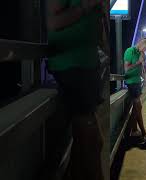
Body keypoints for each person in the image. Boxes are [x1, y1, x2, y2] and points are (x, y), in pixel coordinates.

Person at [47, 0, 105, 179]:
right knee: (91, 142)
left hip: (88, 67)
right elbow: (53, 23)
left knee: (87, 143)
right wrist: (87, 5)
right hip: (72, 66)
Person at [124, 38, 146, 144]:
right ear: (140, 43)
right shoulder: (130, 51)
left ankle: (134, 130)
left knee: (136, 107)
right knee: (138, 106)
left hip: (137, 82)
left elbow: (142, 70)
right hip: (130, 82)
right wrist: (139, 62)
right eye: (145, 48)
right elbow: (126, 69)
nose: (145, 50)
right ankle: (144, 134)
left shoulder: (143, 54)